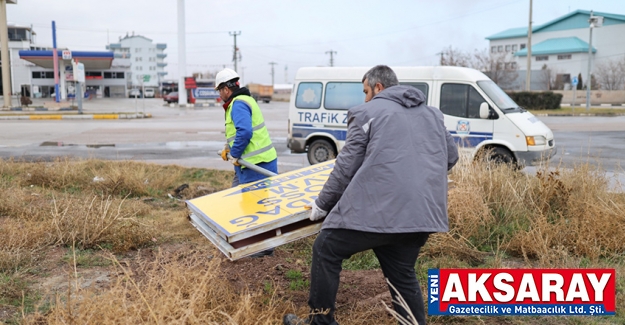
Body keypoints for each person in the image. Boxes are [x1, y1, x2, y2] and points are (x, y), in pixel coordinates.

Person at [283, 65, 458, 325]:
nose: (364, 98)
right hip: (421, 215)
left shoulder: (368, 112)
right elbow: (451, 157)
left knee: (326, 248)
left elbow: (346, 166)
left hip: (381, 211)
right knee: (402, 272)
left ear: (378, 87)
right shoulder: (433, 115)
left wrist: (322, 204)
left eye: (366, 91)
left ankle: (320, 322)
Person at [215, 68, 278, 257]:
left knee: (256, 207)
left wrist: (234, 154)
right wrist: (229, 147)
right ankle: (240, 242)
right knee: (237, 201)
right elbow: (237, 132)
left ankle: (263, 249)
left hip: (256, 164)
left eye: (219, 90)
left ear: (226, 89)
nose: (219, 94)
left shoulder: (238, 104)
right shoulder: (243, 100)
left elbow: (245, 132)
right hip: (249, 164)